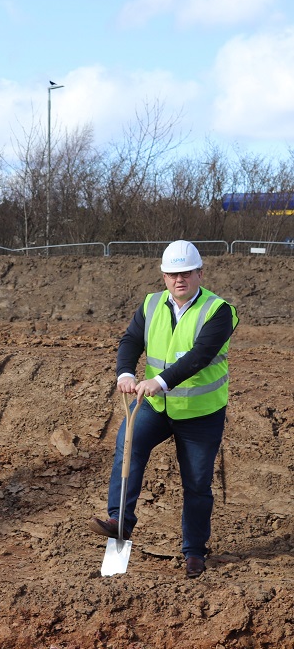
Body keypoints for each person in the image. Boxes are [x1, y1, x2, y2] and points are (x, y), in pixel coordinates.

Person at [90, 240, 238, 578]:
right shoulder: (152, 303)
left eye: (186, 272)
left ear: (200, 273)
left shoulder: (219, 311)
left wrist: (160, 381)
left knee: (197, 483)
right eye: (172, 273)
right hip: (155, 407)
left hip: (200, 413)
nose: (178, 279)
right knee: (128, 445)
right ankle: (120, 523)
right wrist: (126, 371)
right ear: (163, 275)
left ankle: (194, 553)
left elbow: (199, 356)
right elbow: (131, 340)